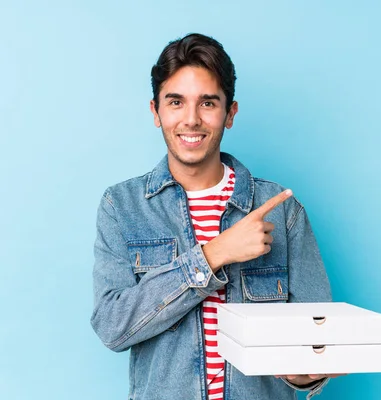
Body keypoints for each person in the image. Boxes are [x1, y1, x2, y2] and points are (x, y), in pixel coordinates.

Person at [91, 33, 336, 400]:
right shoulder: (122, 207)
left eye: (208, 103)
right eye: (176, 102)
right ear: (156, 112)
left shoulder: (280, 210)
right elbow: (112, 327)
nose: (191, 120)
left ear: (230, 113)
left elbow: (318, 340)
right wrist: (214, 254)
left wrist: (305, 375)